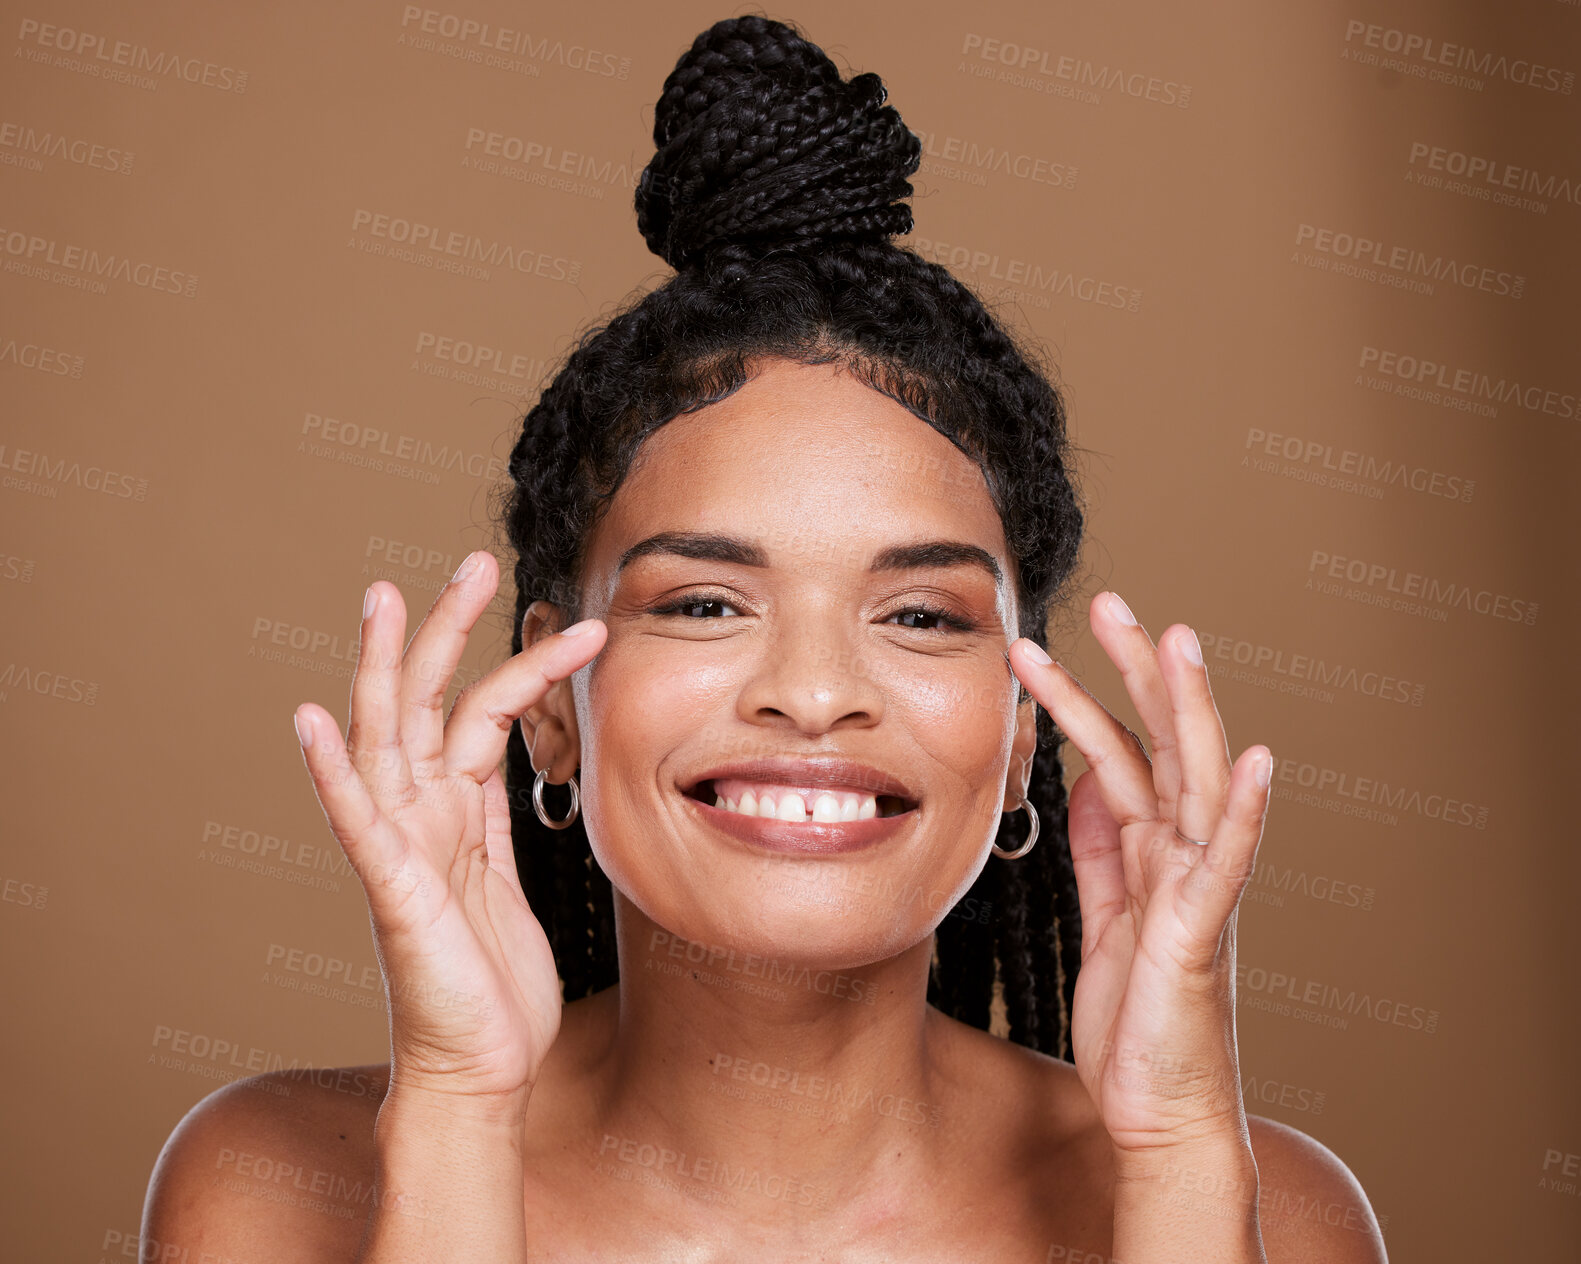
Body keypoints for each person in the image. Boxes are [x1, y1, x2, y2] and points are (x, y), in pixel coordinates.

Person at [141, 15, 1387, 1262]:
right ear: (549, 709)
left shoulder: (1266, 1206)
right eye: (703, 603)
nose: (812, 692)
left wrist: (1173, 1152)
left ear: (1023, 741)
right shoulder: (270, 1189)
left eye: (919, 615)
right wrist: (459, 1109)